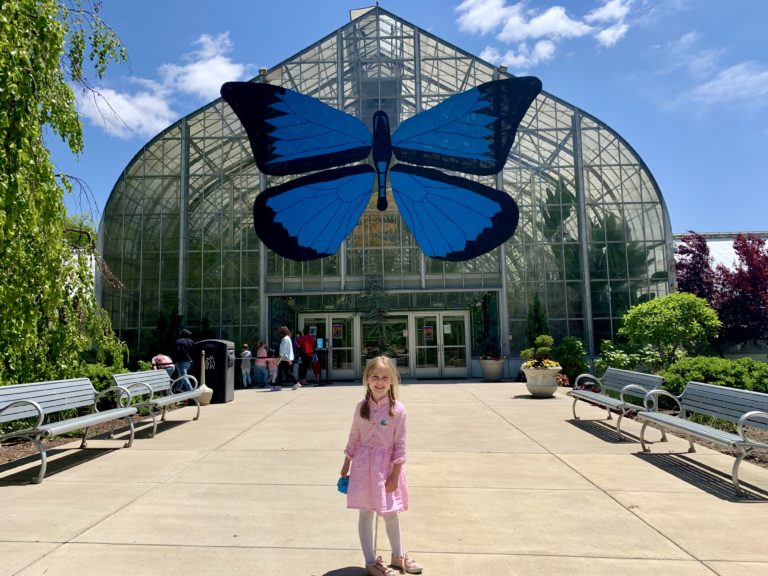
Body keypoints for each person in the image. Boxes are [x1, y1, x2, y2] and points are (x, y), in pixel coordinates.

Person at [340, 356, 422, 576]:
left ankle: (397, 555)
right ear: (367, 379)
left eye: (385, 377)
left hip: (386, 469)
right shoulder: (361, 407)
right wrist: (346, 464)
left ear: (392, 380)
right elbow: (354, 436)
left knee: (390, 513)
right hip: (363, 467)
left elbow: (400, 444)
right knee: (366, 513)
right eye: (375, 376)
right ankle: (370, 562)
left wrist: (395, 475)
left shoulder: (398, 409)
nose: (379, 382)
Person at [276, 325, 300, 390]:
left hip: (284, 358)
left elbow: (282, 351)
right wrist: (289, 359)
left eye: (280, 333)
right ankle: (296, 383)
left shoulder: (284, 339)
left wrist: (282, 359)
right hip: (287, 358)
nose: (280, 334)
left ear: (282, 333)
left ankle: (278, 386)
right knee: (287, 372)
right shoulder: (288, 338)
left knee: (281, 372)